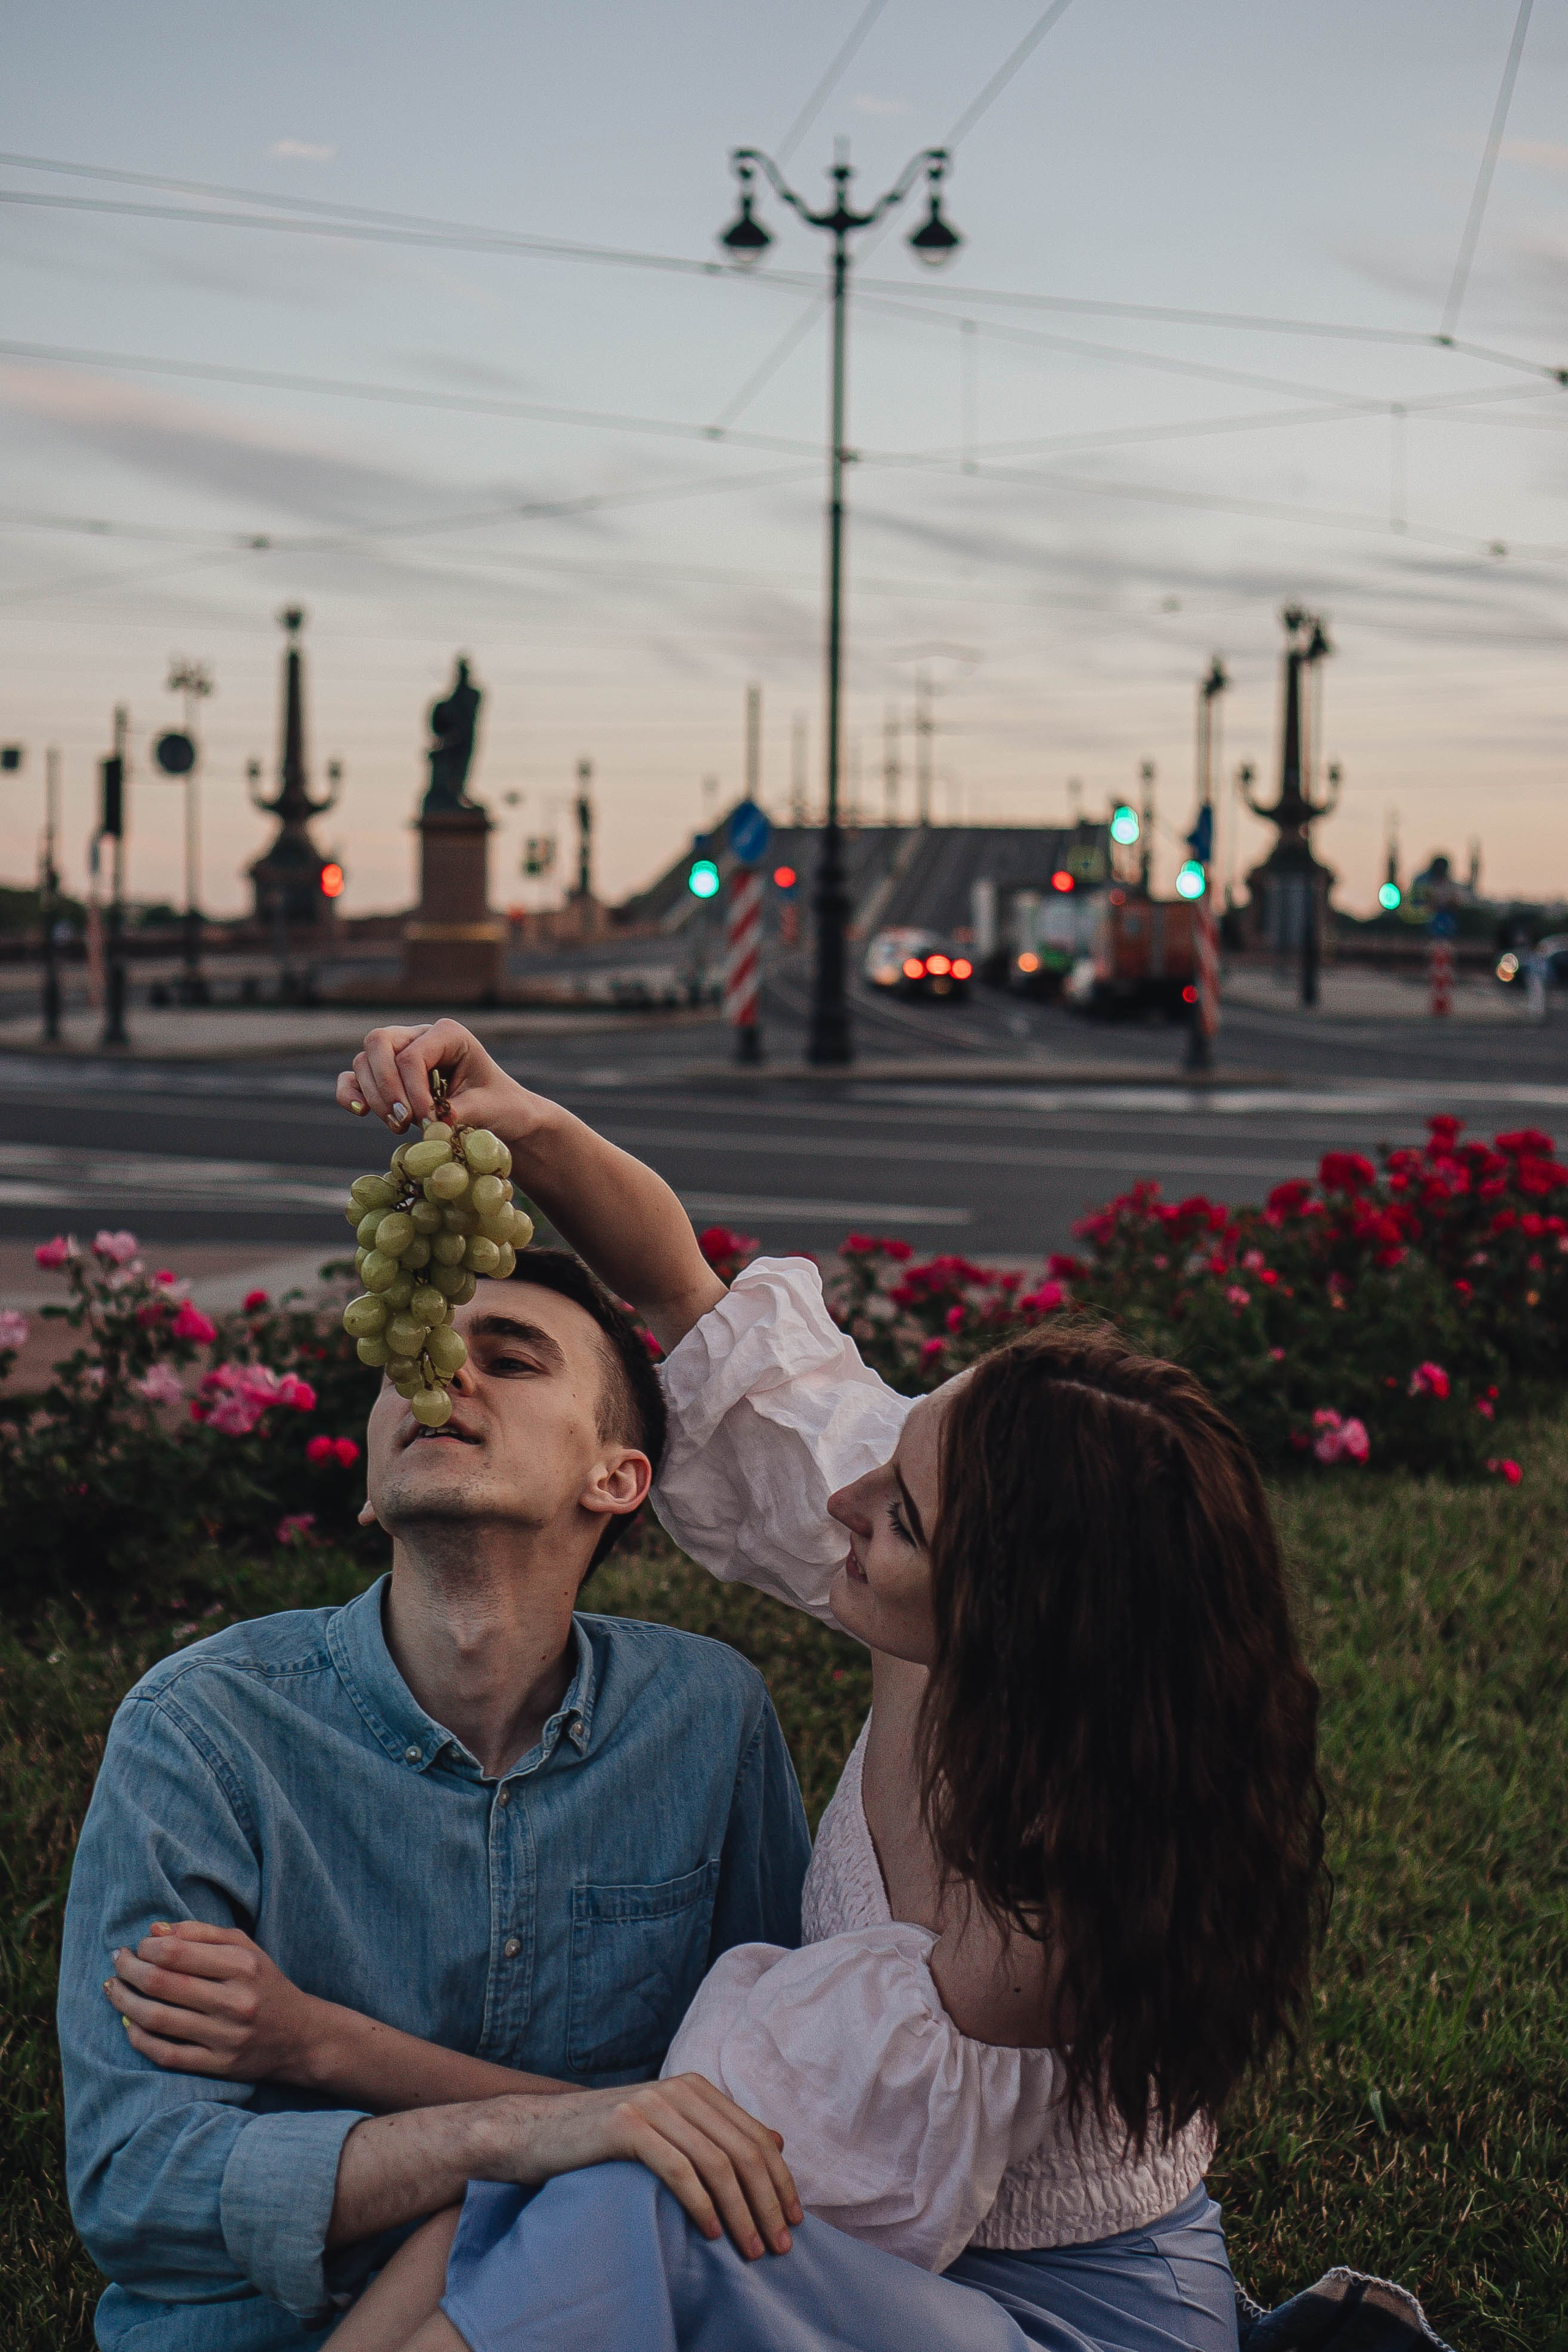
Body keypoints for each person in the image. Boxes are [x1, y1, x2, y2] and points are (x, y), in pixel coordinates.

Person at [111, 1020, 1329, 2352]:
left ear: (1010, 1614)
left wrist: (316, 2045)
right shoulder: (941, 1616)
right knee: (540, 2196)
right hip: (862, 2248)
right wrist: (524, 1121)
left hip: (1045, 2314)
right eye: (892, 1454)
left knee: (601, 2202)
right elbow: (688, 1294)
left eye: (899, 1512)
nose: (844, 1499)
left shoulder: (1030, 1924)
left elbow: (697, 2150)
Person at [58, 1238, 813, 2352]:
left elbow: (763, 2111)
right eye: (408, 1358)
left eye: (509, 1360)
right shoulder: (201, 1727)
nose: (437, 1374)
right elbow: (138, 2189)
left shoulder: (709, 1718)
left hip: (584, 2309)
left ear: (616, 1478)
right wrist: (517, 2135)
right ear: (372, 1483)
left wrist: (325, 2048)